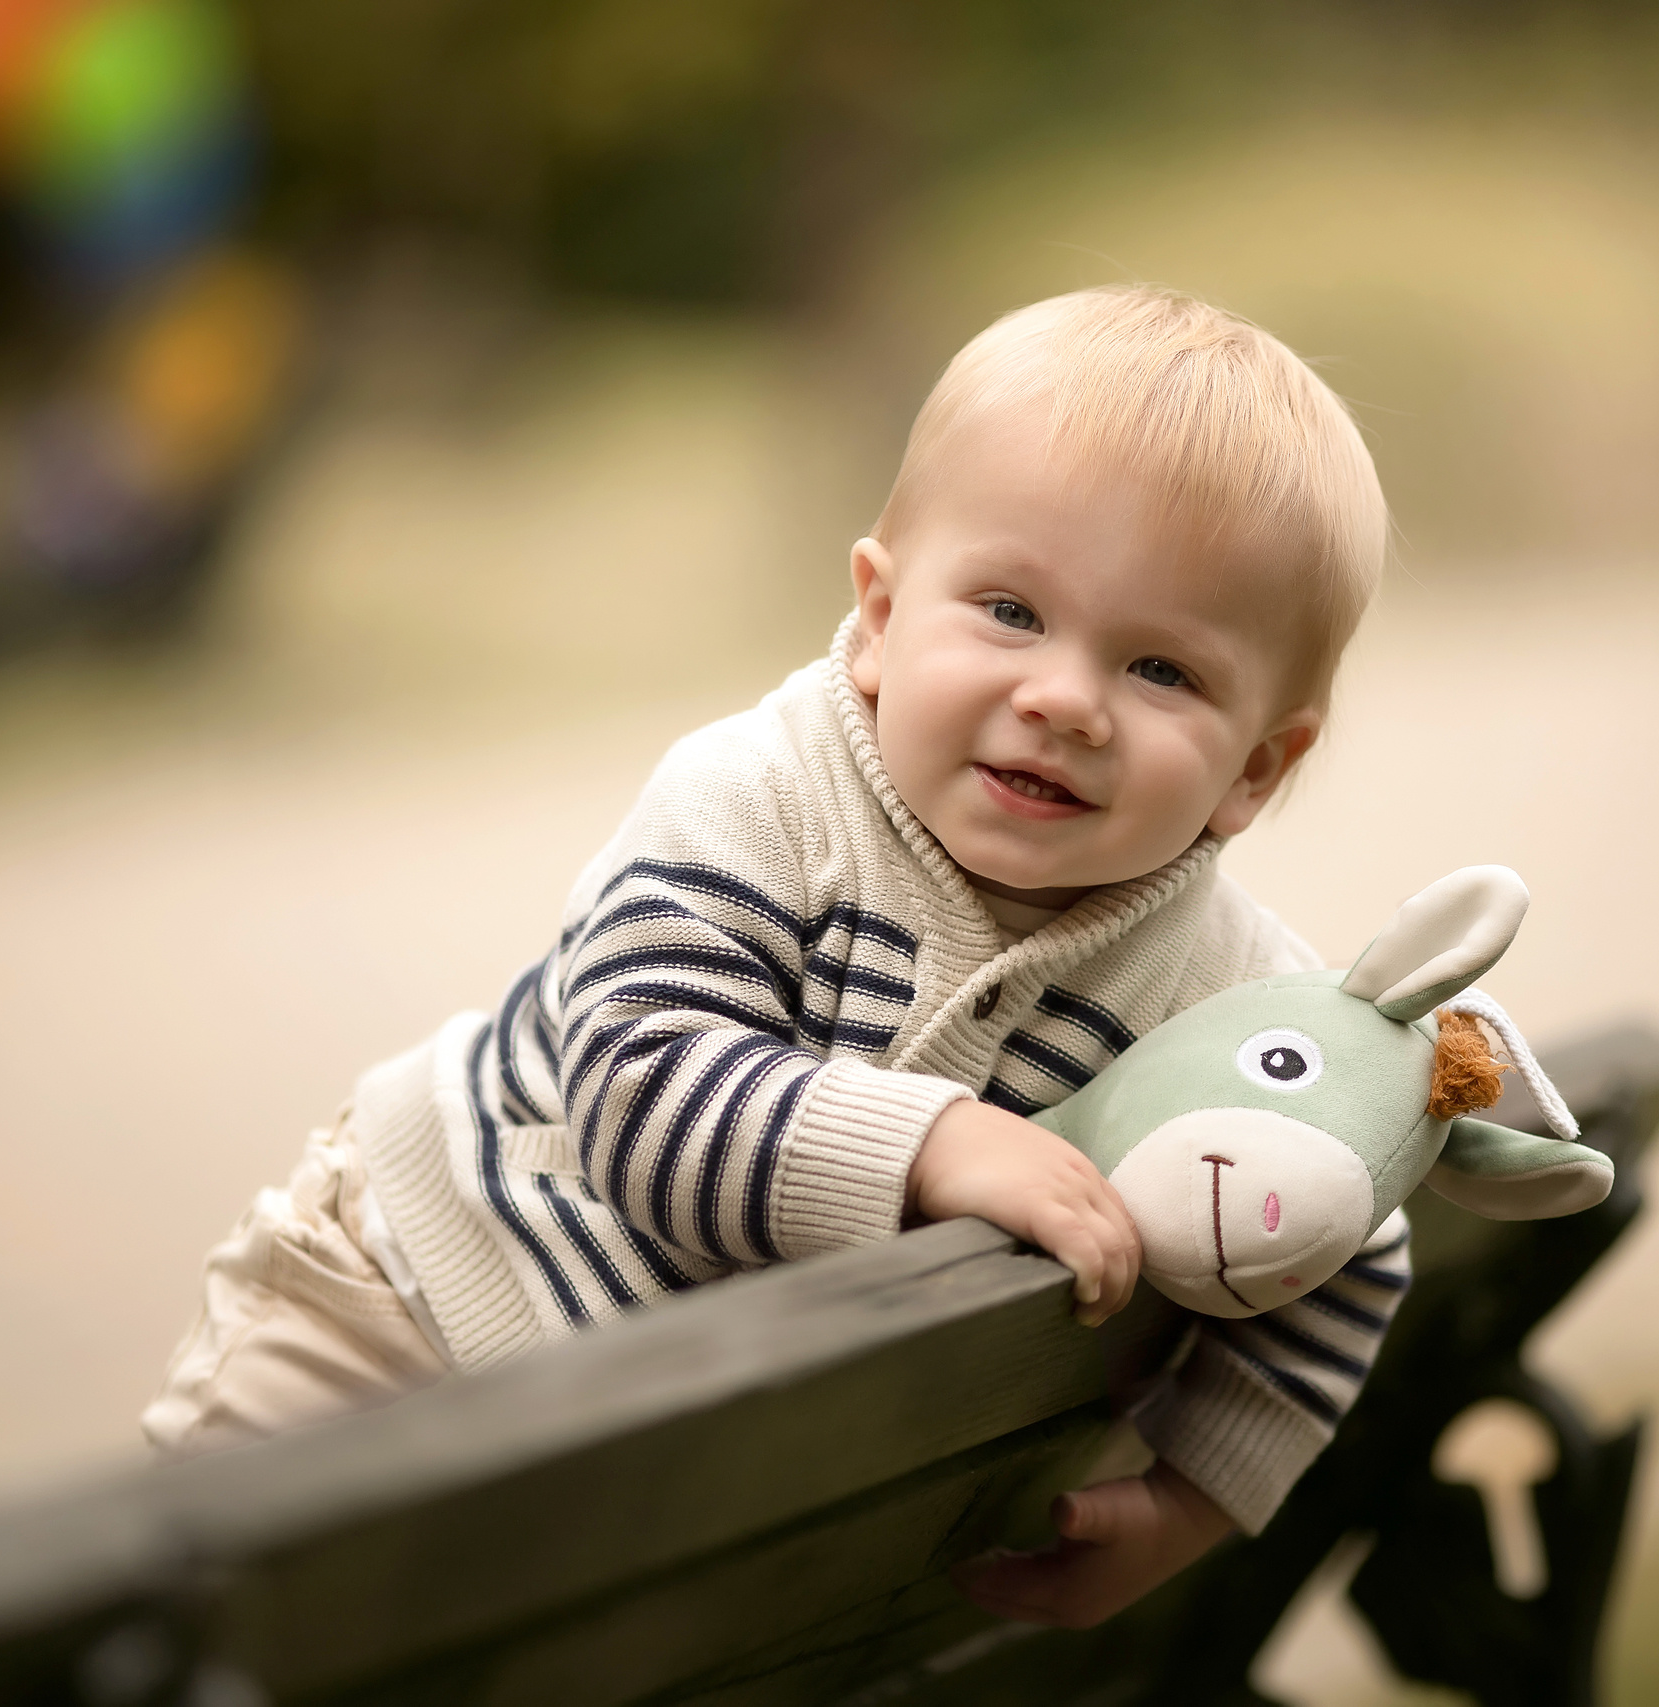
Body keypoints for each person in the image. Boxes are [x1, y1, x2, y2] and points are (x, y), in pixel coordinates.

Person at [142, 284, 1412, 1628]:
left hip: (665, 1455)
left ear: (1260, 769)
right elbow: (636, 1088)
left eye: (1161, 670)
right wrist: (936, 1147)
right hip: (407, 1303)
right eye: (1010, 612)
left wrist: (1193, 1502)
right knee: (188, 1629)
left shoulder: (1223, 996)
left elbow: (1343, 1237)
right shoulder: (765, 799)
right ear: (878, 614)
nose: (1063, 700)